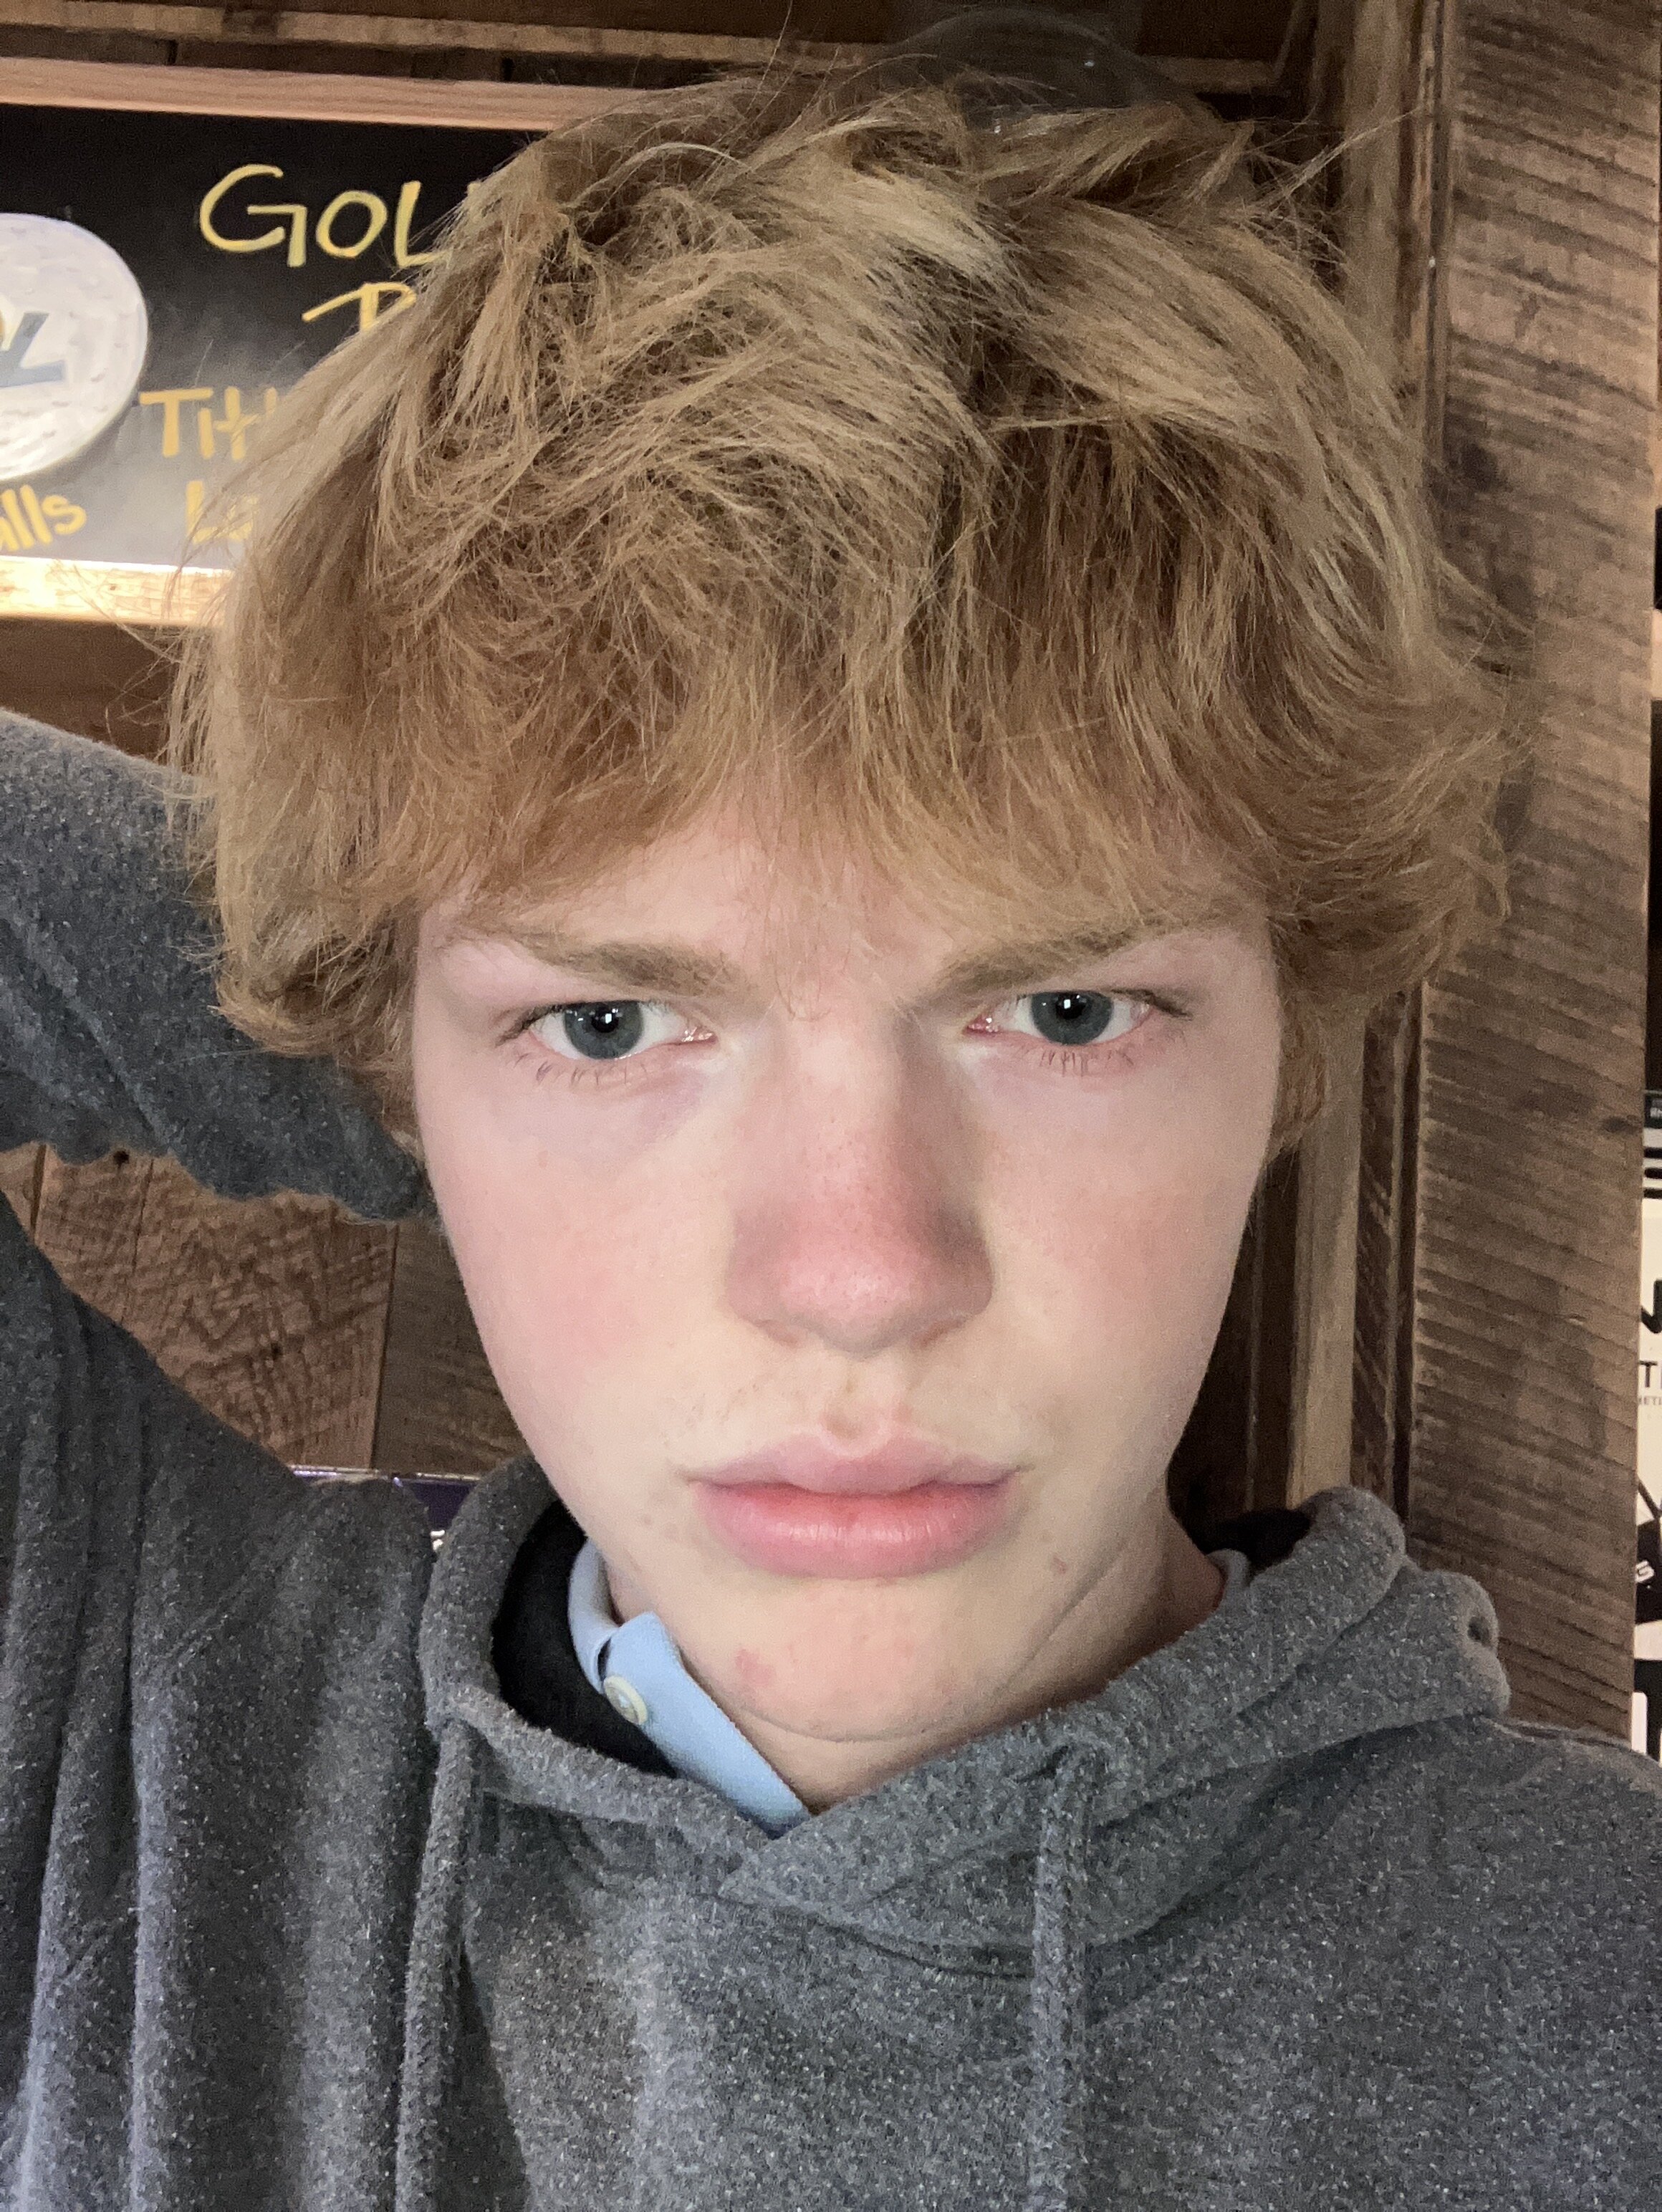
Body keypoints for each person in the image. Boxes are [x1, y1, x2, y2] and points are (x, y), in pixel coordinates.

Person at [3, 47, 1657, 2212]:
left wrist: (525, 1051)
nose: (861, 1274)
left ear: (1290, 1044)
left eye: (1064, 1011)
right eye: (610, 1019)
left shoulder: (1603, 2002)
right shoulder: (132, 1743)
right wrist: (375, 1005)